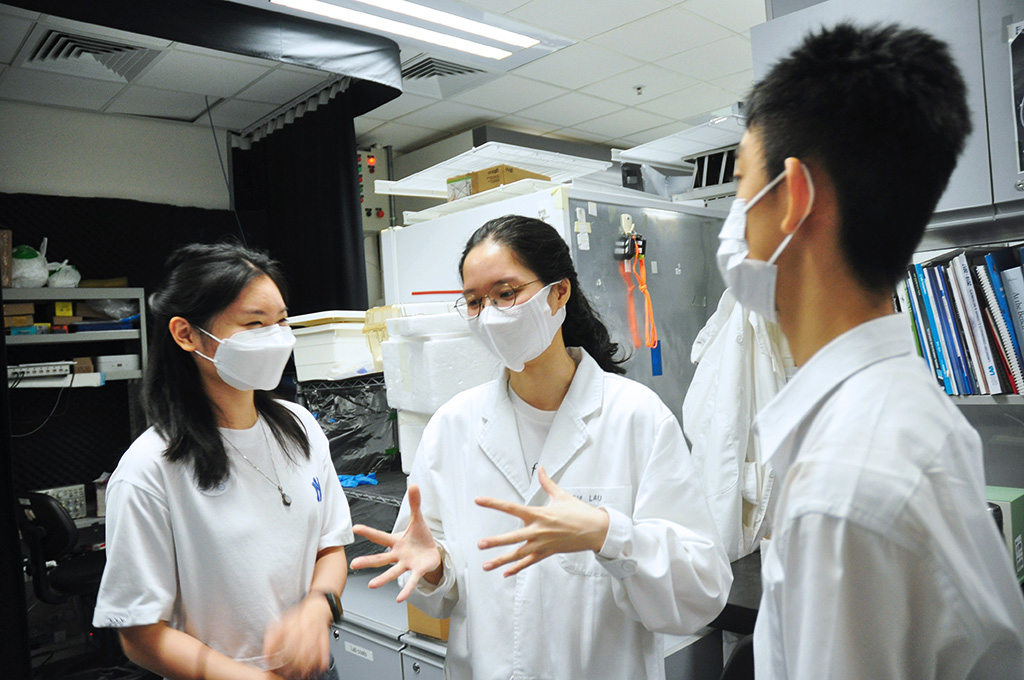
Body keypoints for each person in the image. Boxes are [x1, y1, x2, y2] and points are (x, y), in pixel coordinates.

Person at [717, 22, 1024, 679]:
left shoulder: (843, 485)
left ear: (794, 197)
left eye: (741, 183)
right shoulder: (901, 410)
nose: (733, 216)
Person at [351, 214, 731, 680]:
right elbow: (440, 591)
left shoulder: (637, 418)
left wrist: (608, 534)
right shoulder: (452, 426)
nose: (490, 315)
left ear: (559, 292)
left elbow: (702, 592)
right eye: (474, 302)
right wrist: (433, 572)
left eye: (506, 293)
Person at [93, 242, 353, 680]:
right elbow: (139, 633)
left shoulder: (301, 428)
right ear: (186, 334)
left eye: (281, 321)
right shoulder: (149, 469)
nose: (276, 337)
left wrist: (317, 605)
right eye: (254, 324)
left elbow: (330, 547)